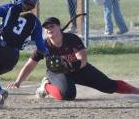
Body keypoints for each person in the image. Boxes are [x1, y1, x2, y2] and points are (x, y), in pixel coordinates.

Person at [8, 17, 139, 101]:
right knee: (68, 95)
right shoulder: (44, 45)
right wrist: (18, 81)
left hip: (78, 69)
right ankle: (46, 86)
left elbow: (82, 60)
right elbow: (31, 64)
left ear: (59, 27)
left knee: (109, 87)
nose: (49, 29)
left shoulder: (71, 39)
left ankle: (137, 91)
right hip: (56, 73)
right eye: (46, 28)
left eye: (52, 26)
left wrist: (70, 65)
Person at [0, 0, 49, 108]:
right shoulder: (35, 21)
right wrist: (48, 52)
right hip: (13, 58)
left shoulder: (8, 8)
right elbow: (40, 46)